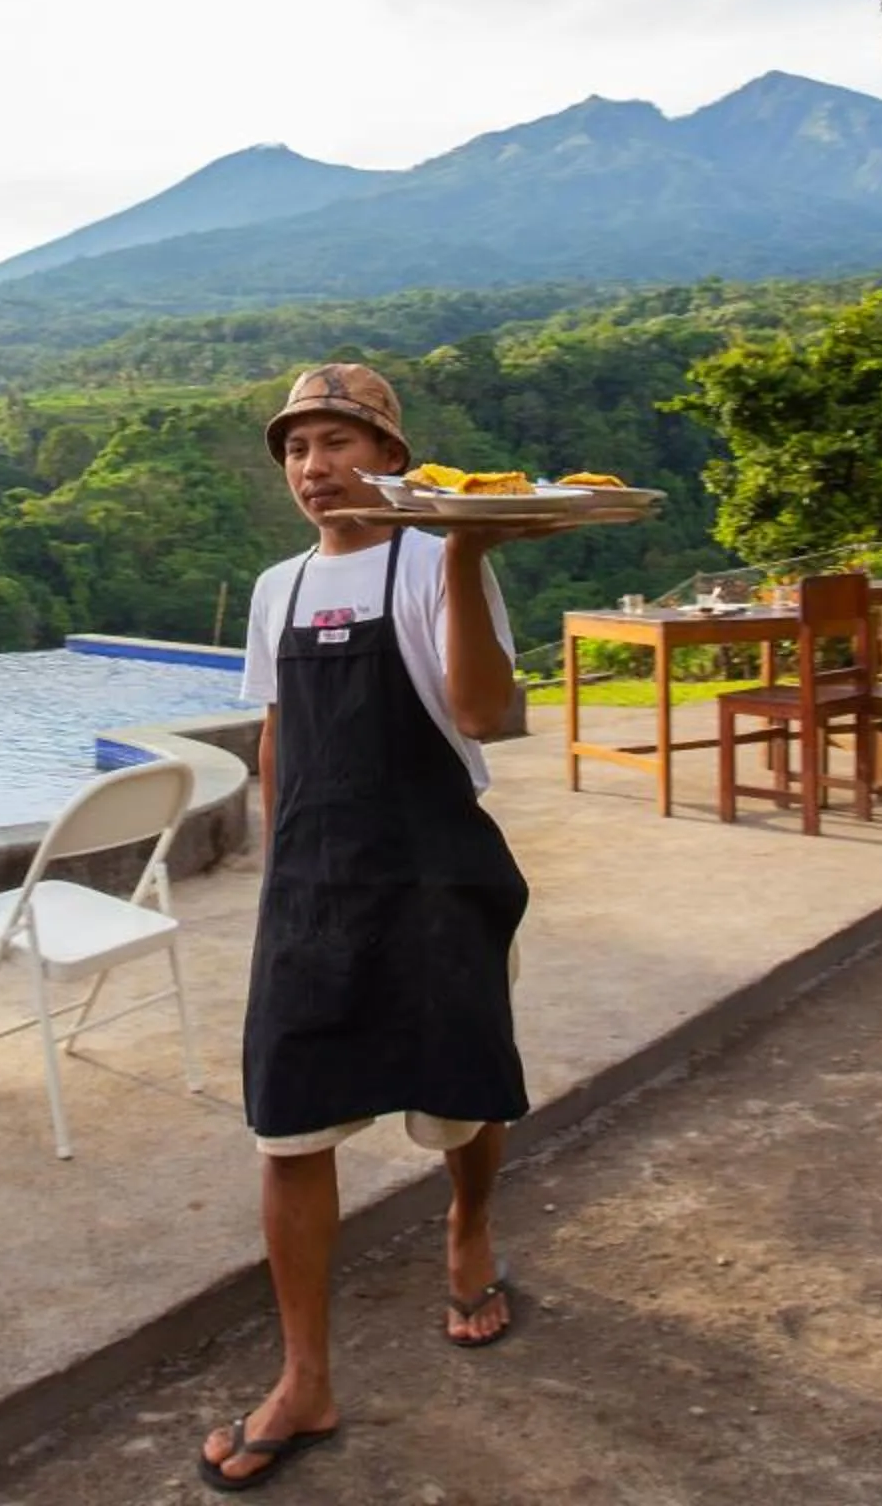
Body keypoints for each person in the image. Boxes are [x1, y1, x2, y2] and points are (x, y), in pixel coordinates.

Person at [199, 362, 533, 1493]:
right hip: (313, 885)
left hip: (436, 871)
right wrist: (274, 858)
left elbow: (488, 715)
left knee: (463, 1090)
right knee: (287, 1125)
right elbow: (281, 730)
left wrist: (475, 554)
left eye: (340, 440)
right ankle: (305, 1376)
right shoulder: (278, 587)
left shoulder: (440, 555)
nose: (315, 465)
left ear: (392, 457)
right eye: (297, 447)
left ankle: (469, 1228)